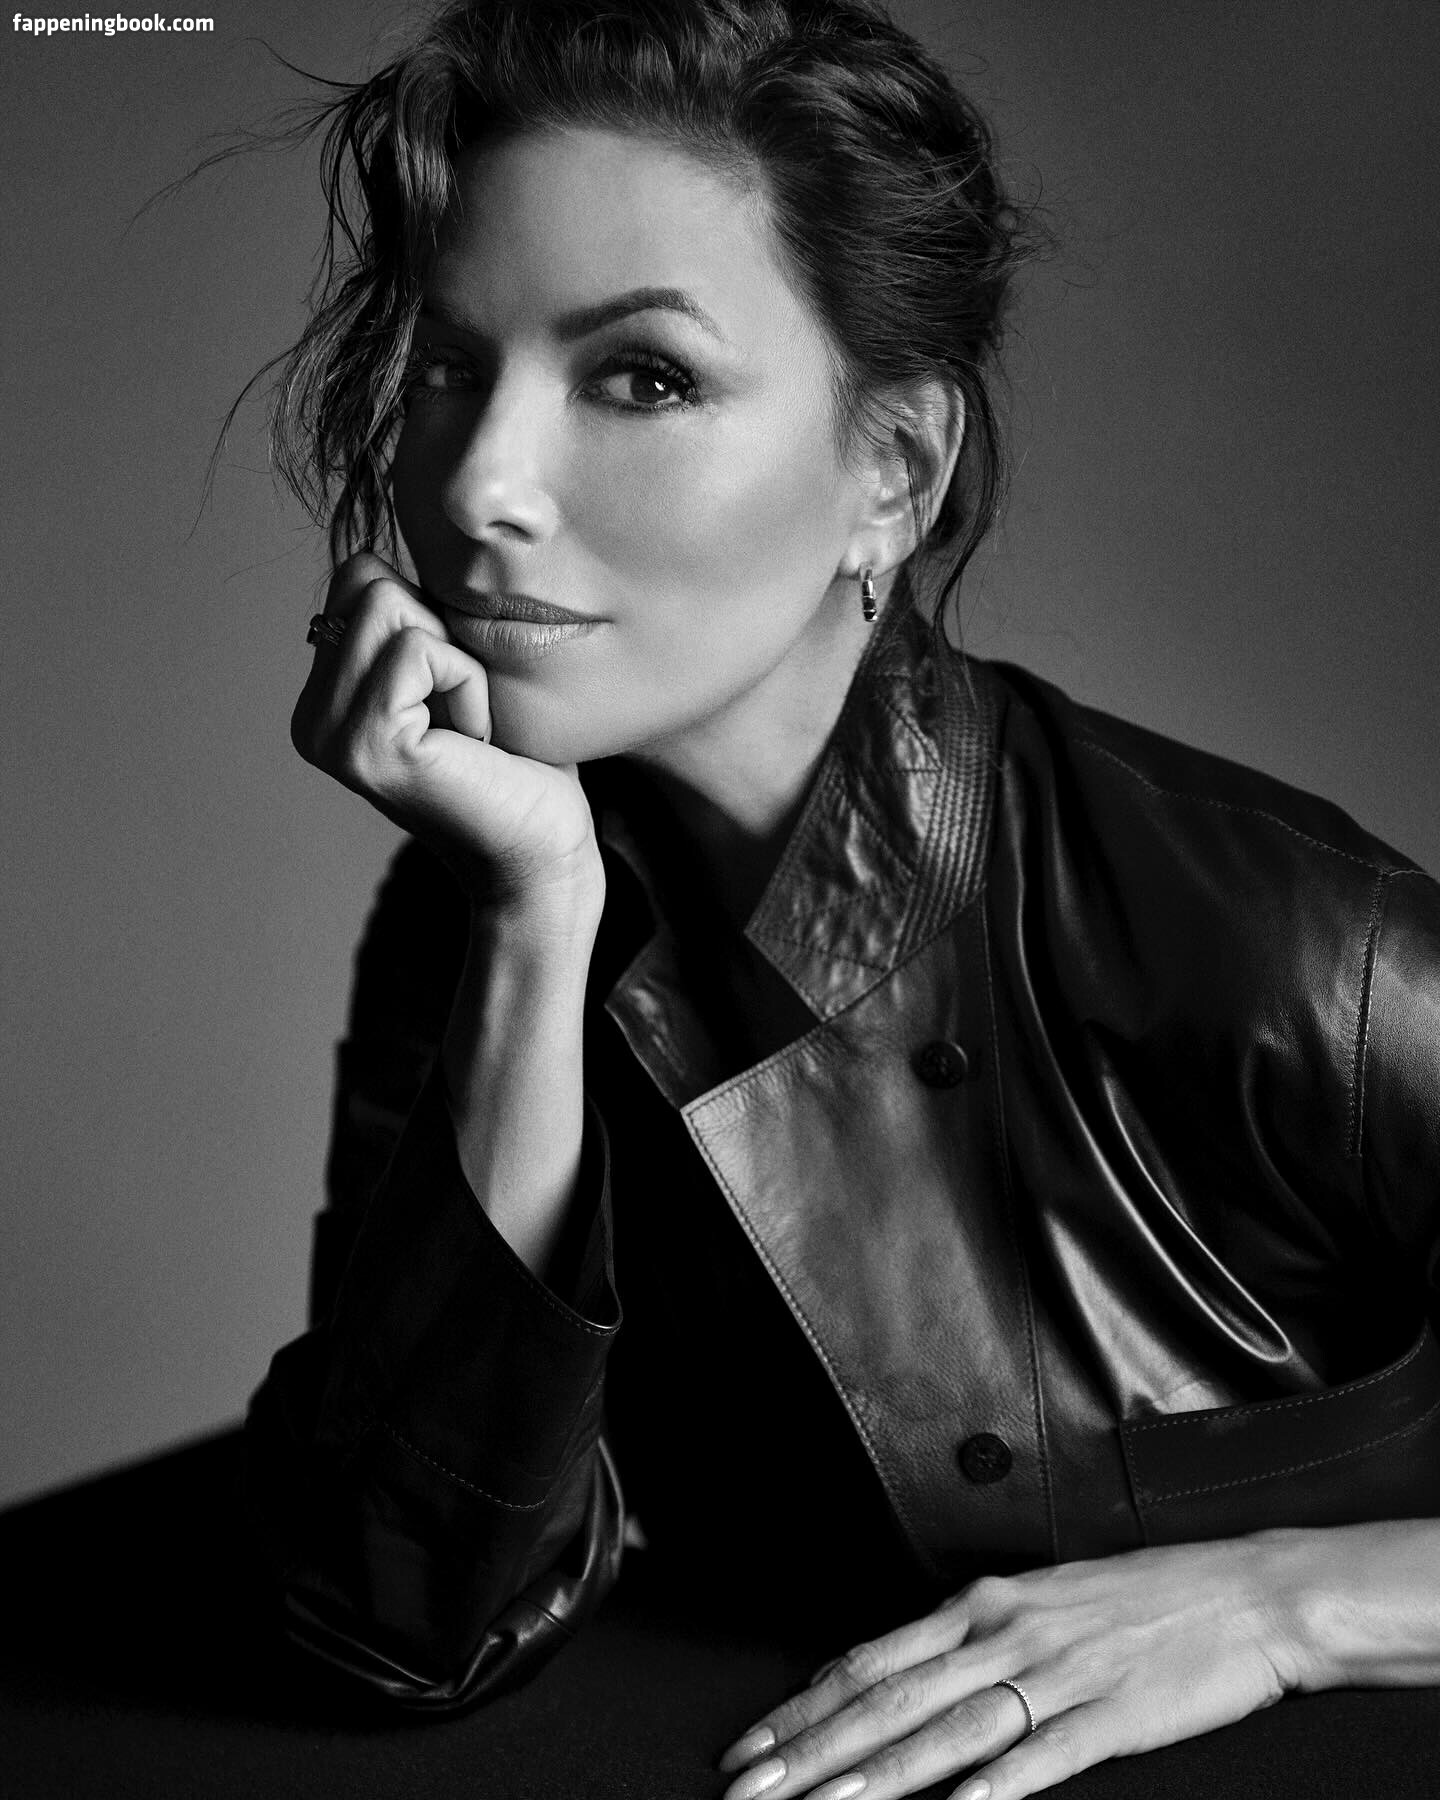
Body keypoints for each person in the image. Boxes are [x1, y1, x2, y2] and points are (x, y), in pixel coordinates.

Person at [243, 2, 1440, 1797]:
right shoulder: (484, 907)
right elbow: (391, 1616)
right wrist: (534, 918)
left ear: (892, 473)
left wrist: (1284, 1608)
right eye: (443, 366)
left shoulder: (1287, 947)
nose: (481, 485)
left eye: (642, 378)